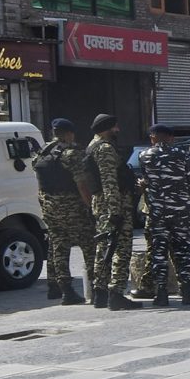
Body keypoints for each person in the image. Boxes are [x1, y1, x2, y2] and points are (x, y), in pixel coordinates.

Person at [135, 122, 190, 307]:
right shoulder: (182, 154)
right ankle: (187, 291)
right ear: (170, 137)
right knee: (183, 249)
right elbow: (189, 180)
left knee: (159, 252)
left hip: (157, 212)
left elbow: (145, 180)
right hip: (180, 210)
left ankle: (161, 293)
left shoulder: (144, 155)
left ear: (153, 137)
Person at [79, 114, 136, 309]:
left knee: (104, 248)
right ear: (106, 129)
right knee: (121, 249)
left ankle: (100, 293)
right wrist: (115, 211)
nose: (118, 130)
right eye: (115, 127)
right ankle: (116, 293)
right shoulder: (104, 149)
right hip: (113, 204)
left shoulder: (92, 145)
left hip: (102, 204)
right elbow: (109, 182)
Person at [34, 117, 90, 306]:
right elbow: (81, 184)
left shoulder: (43, 151)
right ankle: (98, 288)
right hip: (72, 206)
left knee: (58, 247)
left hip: (50, 206)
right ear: (69, 133)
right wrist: (90, 206)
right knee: (88, 244)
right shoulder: (71, 153)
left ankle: (63, 289)